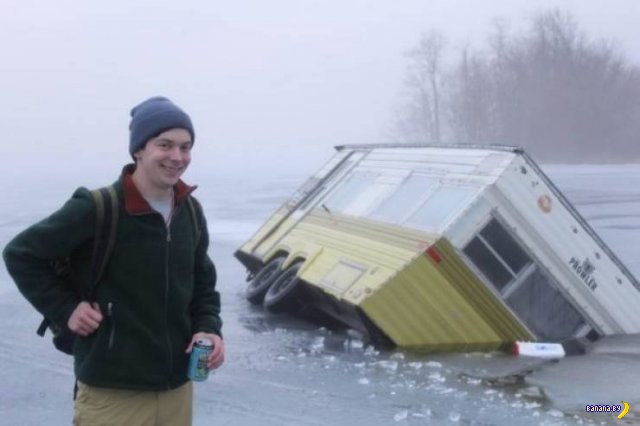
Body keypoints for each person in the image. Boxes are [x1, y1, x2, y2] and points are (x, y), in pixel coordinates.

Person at [3, 96, 224, 425]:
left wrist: (209, 329)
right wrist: (66, 308)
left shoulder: (190, 211)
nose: (177, 157)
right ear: (139, 150)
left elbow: (202, 282)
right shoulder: (97, 208)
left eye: (185, 146)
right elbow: (21, 254)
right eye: (165, 145)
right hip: (112, 394)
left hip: (177, 390)